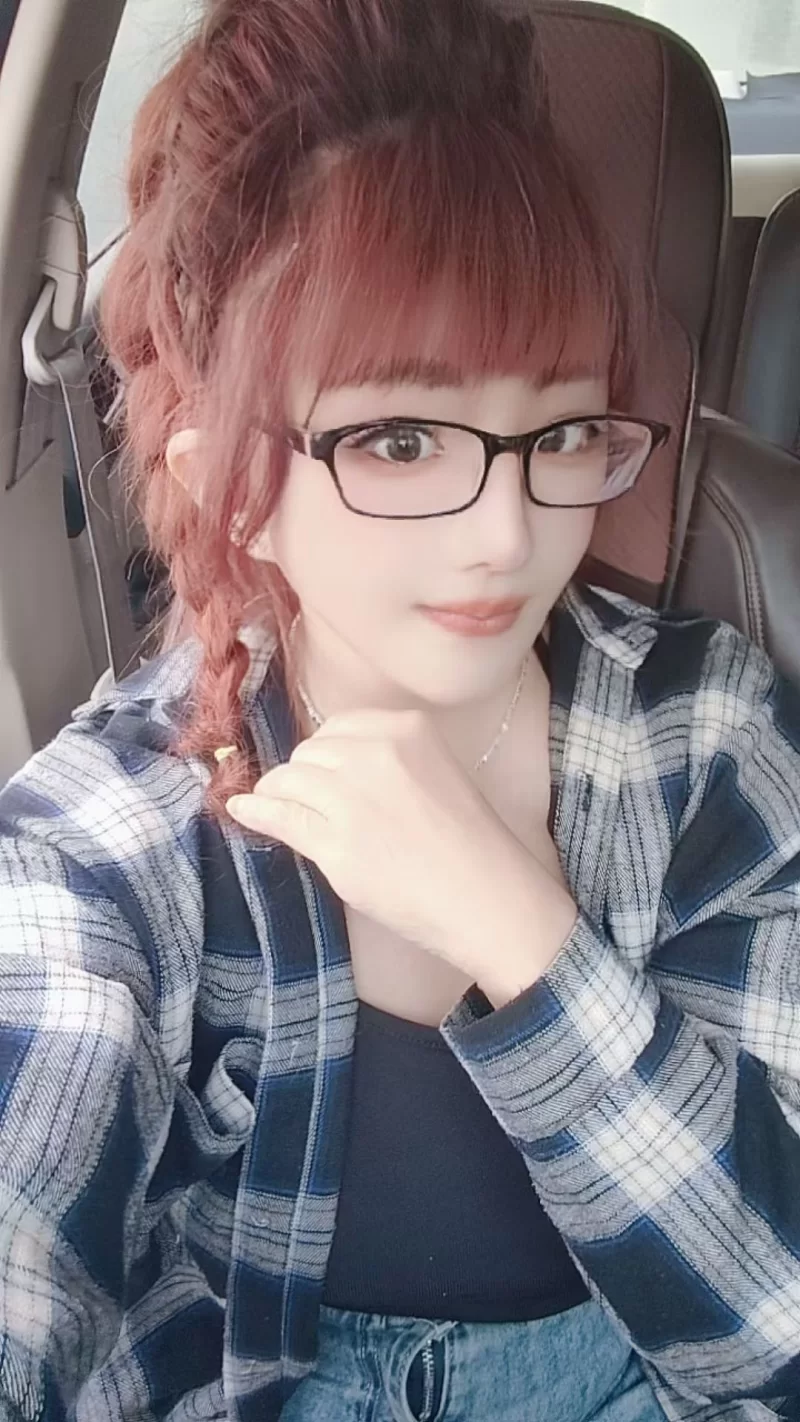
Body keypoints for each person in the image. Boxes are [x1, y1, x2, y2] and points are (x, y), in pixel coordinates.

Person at [0, 0, 798, 1418]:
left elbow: (778, 1328)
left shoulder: (708, 741)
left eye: (562, 430)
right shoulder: (114, 829)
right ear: (225, 477)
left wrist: (519, 925)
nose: (507, 534)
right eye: (404, 438)